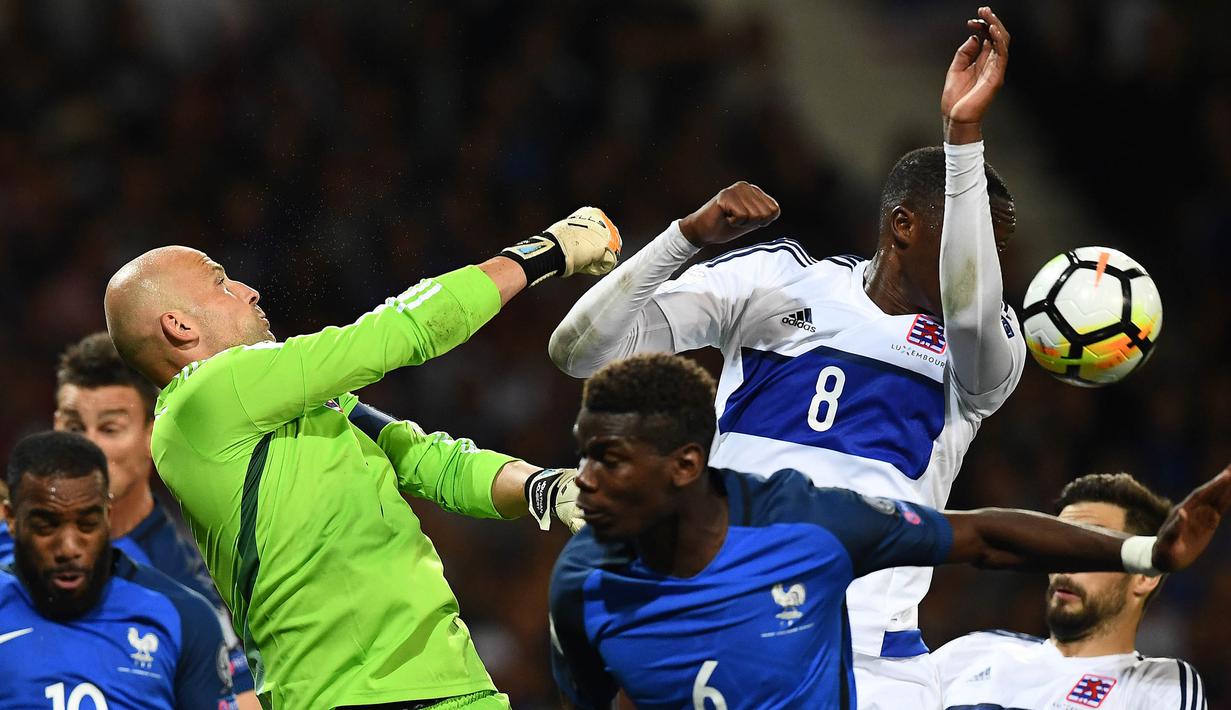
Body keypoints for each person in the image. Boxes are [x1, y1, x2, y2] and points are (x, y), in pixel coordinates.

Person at [548, 7, 1020, 705]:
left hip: (869, 659)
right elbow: (580, 351)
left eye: (992, 244)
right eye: (967, 228)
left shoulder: (984, 352)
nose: (981, 257)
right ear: (902, 225)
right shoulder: (776, 279)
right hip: (720, 625)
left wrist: (962, 137)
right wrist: (681, 238)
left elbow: (974, 299)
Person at [102, 207, 617, 709]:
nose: (248, 289)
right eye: (220, 283)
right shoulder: (204, 399)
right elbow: (397, 331)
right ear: (180, 326)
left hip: (452, 680)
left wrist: (546, 488)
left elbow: (429, 461)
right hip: (346, 694)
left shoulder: (297, 403)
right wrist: (539, 255)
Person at [548, 353, 1231, 710]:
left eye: (609, 461)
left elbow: (980, 537)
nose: (582, 480)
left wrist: (1146, 549)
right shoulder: (581, 582)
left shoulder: (805, 522)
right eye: (582, 454)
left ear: (684, 466)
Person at [0, 332, 259, 706]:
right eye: (74, 427)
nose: (89, 445)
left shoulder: (187, 588)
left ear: (151, 435)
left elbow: (243, 699)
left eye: (110, 428)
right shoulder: (15, 520)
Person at [1, 430, 238, 709]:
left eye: (87, 524)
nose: (68, 548)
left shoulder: (185, 617)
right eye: (45, 526)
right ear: (11, 518)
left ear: (107, 516)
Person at [934, 473, 1207, 709]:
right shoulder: (968, 654)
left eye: (1090, 552)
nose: (1065, 564)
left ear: (1143, 577)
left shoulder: (1157, 685)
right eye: (1058, 547)